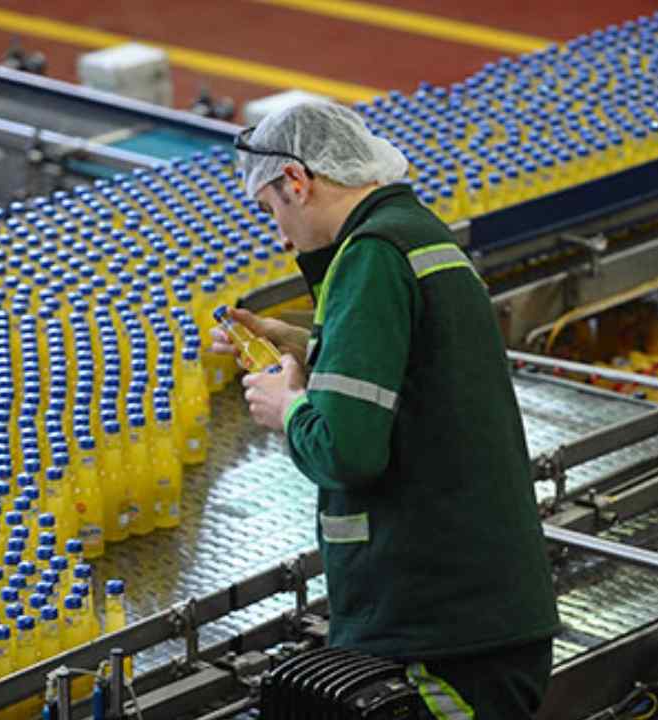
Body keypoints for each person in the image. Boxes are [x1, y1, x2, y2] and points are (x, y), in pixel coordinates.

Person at [212, 101, 560, 719]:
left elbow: (347, 450)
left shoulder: (368, 257)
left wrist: (287, 407)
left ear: (298, 180)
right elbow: (407, 366)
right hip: (482, 615)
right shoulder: (414, 233)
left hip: (439, 630)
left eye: (273, 211)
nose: (281, 237)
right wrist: (295, 340)